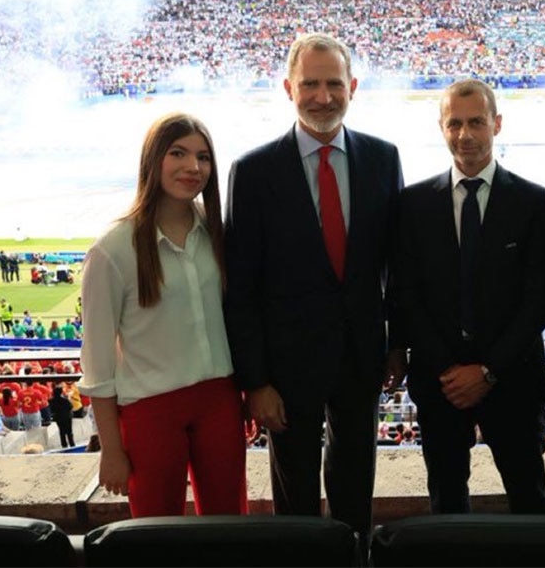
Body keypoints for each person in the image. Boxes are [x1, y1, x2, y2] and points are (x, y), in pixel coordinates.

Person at [223, 33, 404, 544]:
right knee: (294, 493)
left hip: (360, 356)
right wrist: (255, 380)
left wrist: (395, 343)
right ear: (288, 88)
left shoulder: (383, 158)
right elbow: (242, 286)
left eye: (333, 84)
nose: (323, 97)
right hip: (285, 368)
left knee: (355, 485)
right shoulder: (254, 172)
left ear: (353, 87)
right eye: (310, 85)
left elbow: (396, 266)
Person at [392, 79, 545, 514]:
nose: (465, 135)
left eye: (476, 122)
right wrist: (448, 368)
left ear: (496, 124)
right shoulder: (412, 205)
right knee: (446, 500)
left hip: (514, 379)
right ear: (441, 128)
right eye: (455, 124)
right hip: (439, 382)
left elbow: (538, 299)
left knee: (530, 499)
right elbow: (405, 295)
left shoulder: (535, 203)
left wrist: (487, 370)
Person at [79, 112, 248, 518]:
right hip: (150, 409)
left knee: (229, 524)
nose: (193, 167)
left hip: (220, 402)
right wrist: (112, 450)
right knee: (155, 530)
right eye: (178, 153)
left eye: (203, 157)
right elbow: (98, 364)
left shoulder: (217, 233)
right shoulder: (113, 250)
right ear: (153, 159)